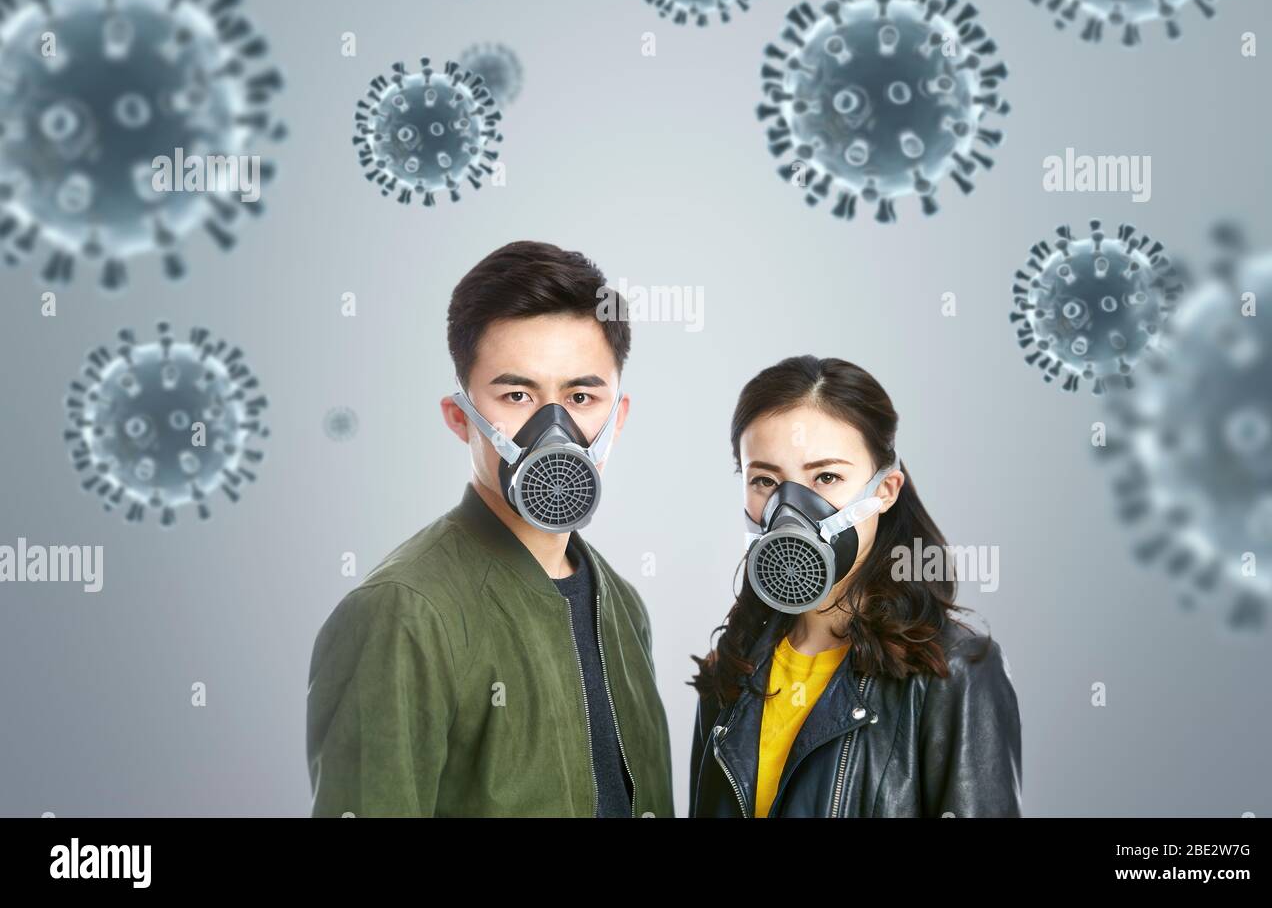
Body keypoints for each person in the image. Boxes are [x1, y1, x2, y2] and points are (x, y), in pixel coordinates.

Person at [307, 241, 673, 817]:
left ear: (617, 418)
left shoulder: (623, 607)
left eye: (580, 396)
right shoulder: (400, 614)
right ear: (460, 417)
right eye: (517, 394)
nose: (553, 426)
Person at [689, 355, 1021, 818]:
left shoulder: (954, 671)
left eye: (826, 477)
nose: (791, 509)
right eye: (765, 480)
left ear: (885, 490)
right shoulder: (733, 670)